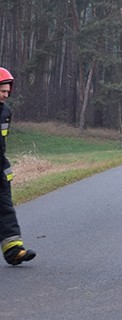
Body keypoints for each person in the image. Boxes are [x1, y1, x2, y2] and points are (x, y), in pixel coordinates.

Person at [0, 67, 36, 266]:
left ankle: (14, 250)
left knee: (6, 209)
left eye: (7, 91)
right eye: (2, 91)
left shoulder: (5, 111)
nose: (6, 95)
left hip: (0, 170)